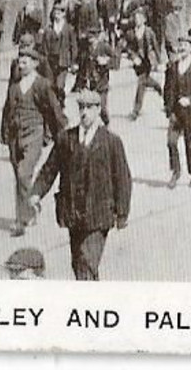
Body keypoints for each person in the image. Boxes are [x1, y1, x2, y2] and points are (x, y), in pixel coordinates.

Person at [30, 89, 132, 280]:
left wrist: (122, 212)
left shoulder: (111, 142)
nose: (84, 112)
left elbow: (123, 179)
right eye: (81, 107)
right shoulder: (65, 139)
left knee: (86, 262)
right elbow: (49, 169)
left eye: (89, 108)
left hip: (99, 215)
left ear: (98, 109)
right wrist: (36, 193)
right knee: (78, 264)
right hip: (73, 213)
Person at [0, 43, 65, 237]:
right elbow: (6, 111)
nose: (21, 64)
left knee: (23, 173)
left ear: (35, 63)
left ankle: (24, 217)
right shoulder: (14, 86)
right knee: (19, 178)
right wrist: (4, 134)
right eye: (20, 60)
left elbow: (54, 109)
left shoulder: (42, 84)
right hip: (15, 136)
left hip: (34, 134)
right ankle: (26, 211)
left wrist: (60, 132)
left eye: (25, 60)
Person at [163, 35, 191, 188]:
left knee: (190, 143)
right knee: (171, 142)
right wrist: (167, 107)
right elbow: (167, 88)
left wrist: (190, 100)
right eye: (180, 45)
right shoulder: (172, 67)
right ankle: (176, 171)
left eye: (185, 45)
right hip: (176, 112)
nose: (181, 48)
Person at [127, 7, 164, 120]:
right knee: (146, 80)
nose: (137, 20)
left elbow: (156, 46)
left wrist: (159, 61)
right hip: (138, 63)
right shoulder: (131, 32)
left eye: (139, 18)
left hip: (148, 61)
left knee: (141, 84)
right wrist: (133, 57)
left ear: (144, 19)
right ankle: (157, 86)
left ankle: (136, 111)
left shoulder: (149, 32)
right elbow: (128, 48)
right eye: (135, 18)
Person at [39, 3, 78, 91]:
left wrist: (73, 62)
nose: (57, 15)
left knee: (60, 85)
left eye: (59, 12)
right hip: (50, 61)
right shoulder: (48, 29)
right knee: (50, 85)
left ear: (64, 14)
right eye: (55, 12)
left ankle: (60, 102)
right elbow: (44, 47)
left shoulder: (69, 29)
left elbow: (74, 47)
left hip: (63, 61)